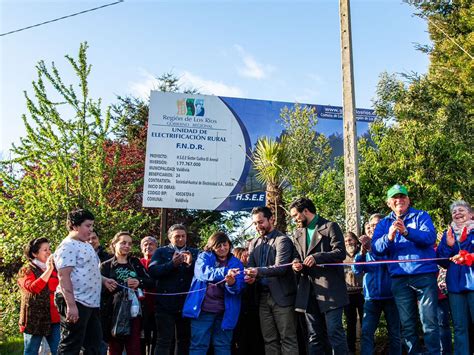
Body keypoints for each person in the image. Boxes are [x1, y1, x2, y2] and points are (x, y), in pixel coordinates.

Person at [372, 184, 440, 354]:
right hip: (399, 279)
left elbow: (430, 237)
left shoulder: (421, 216)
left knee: (430, 323)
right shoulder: (384, 223)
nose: (399, 200)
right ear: (389, 203)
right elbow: (376, 249)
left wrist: (407, 232)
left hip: (424, 276)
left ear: (408, 200)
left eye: (402, 197)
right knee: (407, 325)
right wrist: (388, 236)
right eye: (395, 198)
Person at [290, 197, 349, 355]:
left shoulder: (330, 226)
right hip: (308, 291)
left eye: (296, 215)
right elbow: (295, 255)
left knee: (334, 332)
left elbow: (340, 252)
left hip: (331, 290)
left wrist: (318, 257)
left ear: (306, 211)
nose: (294, 219)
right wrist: (296, 263)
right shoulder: (297, 233)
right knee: (314, 335)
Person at [54, 209, 117, 354]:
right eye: (87, 226)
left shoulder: (87, 245)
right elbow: (64, 276)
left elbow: (88, 271)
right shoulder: (67, 246)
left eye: (92, 226)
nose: (91, 230)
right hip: (75, 300)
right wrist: (71, 305)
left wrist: (104, 280)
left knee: (94, 344)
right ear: (75, 226)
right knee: (71, 344)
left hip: (91, 302)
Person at [245, 206, 299, 355]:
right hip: (262, 298)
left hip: (282, 298)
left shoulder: (282, 240)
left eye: (260, 222)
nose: (257, 226)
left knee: (288, 339)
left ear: (271, 219)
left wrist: (257, 272)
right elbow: (250, 266)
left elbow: (280, 268)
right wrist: (249, 276)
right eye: (255, 223)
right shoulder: (254, 243)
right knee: (269, 340)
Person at [183, 232, 244, 355]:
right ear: (212, 247)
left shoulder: (237, 263)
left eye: (225, 245)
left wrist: (231, 284)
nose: (222, 248)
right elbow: (203, 273)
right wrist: (226, 271)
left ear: (229, 245)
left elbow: (239, 289)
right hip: (203, 311)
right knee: (198, 346)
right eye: (218, 246)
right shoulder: (203, 257)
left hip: (226, 312)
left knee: (223, 346)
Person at [353, 213, 401, 355]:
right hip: (371, 297)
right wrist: (362, 253)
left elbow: (386, 263)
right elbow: (356, 270)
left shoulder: (392, 241)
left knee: (395, 333)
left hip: (391, 295)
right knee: (366, 333)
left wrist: (371, 249)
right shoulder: (364, 246)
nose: (374, 228)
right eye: (371, 225)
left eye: (377, 224)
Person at [100, 231, 155, 355]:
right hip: (114, 313)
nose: (127, 246)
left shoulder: (135, 262)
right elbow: (102, 290)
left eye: (129, 244)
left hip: (135, 312)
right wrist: (123, 285)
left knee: (134, 347)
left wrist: (138, 282)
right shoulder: (106, 266)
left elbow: (150, 281)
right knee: (115, 348)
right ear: (114, 244)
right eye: (123, 242)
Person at [148, 224, 199, 355]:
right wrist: (172, 264)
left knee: (183, 340)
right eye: (177, 236)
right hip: (165, 304)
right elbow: (152, 270)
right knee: (164, 340)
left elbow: (202, 275)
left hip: (186, 304)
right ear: (170, 238)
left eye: (183, 236)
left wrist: (190, 264)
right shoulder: (161, 252)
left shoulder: (195, 252)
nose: (181, 239)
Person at [437, 200, 473, 355]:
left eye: (461, 210)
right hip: (455, 288)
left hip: (472, 284)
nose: (457, 213)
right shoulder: (448, 234)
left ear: (471, 214)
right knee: (459, 327)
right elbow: (442, 261)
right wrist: (449, 245)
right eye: (454, 211)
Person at [18, 237, 60, 355]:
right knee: (31, 352)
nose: (49, 252)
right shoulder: (26, 270)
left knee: (59, 351)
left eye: (49, 249)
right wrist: (49, 270)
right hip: (34, 320)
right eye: (45, 250)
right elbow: (34, 288)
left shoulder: (56, 268)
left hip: (54, 317)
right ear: (34, 253)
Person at [231, 247, 264, 355]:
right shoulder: (234, 271)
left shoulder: (253, 271)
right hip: (239, 310)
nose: (248, 258)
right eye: (245, 256)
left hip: (253, 309)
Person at [343, 232, 364, 354]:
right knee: (350, 325)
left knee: (365, 323)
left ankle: (366, 349)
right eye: (345, 241)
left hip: (362, 293)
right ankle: (351, 350)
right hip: (348, 295)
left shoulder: (362, 253)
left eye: (350, 240)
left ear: (356, 241)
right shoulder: (341, 256)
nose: (348, 243)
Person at [139, 236, 159, 355]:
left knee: (157, 336)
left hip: (157, 304)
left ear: (157, 248)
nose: (148, 247)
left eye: (151, 244)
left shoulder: (161, 263)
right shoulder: (137, 263)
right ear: (141, 248)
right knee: (141, 336)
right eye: (145, 244)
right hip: (141, 305)